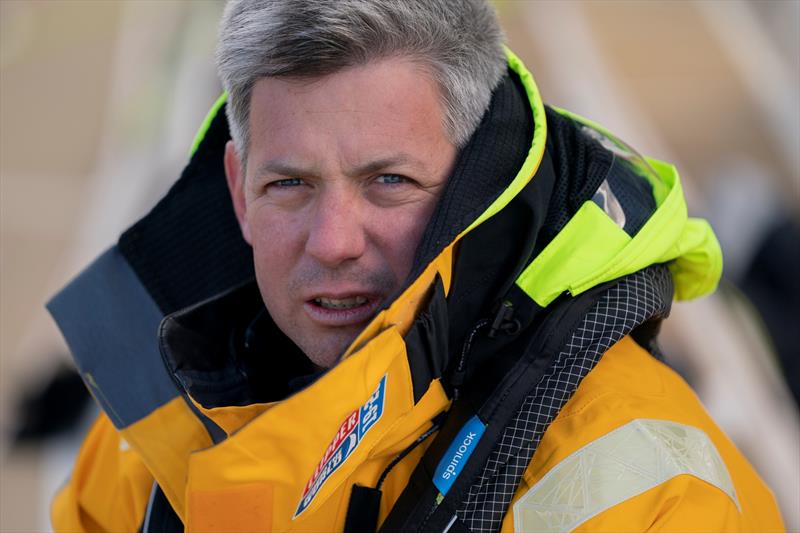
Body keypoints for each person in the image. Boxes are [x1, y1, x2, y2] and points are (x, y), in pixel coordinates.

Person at [48, 1, 784, 531]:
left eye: (389, 182)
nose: (333, 240)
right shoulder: (145, 440)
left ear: (476, 188)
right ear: (238, 192)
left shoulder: (656, 494)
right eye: (289, 184)